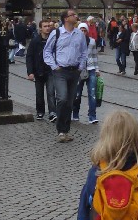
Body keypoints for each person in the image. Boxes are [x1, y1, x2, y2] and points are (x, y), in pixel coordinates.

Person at [43, 8, 87, 143]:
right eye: (73, 15)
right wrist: (54, 66)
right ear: (66, 19)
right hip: (60, 71)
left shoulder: (79, 34)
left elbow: (84, 52)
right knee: (62, 98)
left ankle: (65, 130)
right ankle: (60, 130)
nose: (76, 16)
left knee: (70, 102)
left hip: (74, 72)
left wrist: (80, 67)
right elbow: (47, 51)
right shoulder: (56, 33)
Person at [26, 18, 56, 120]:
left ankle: (52, 112)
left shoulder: (53, 40)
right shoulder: (35, 41)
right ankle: (40, 111)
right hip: (38, 70)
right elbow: (29, 56)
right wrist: (30, 72)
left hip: (50, 70)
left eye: (49, 26)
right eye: (45, 26)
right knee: (39, 93)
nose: (47, 28)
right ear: (40, 28)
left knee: (51, 92)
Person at [72, 22, 99, 125]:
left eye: (85, 30)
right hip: (79, 69)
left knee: (92, 94)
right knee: (77, 94)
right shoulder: (75, 41)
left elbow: (94, 56)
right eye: (81, 30)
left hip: (91, 69)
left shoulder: (92, 41)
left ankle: (92, 116)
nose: (83, 32)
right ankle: (75, 113)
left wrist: (97, 69)